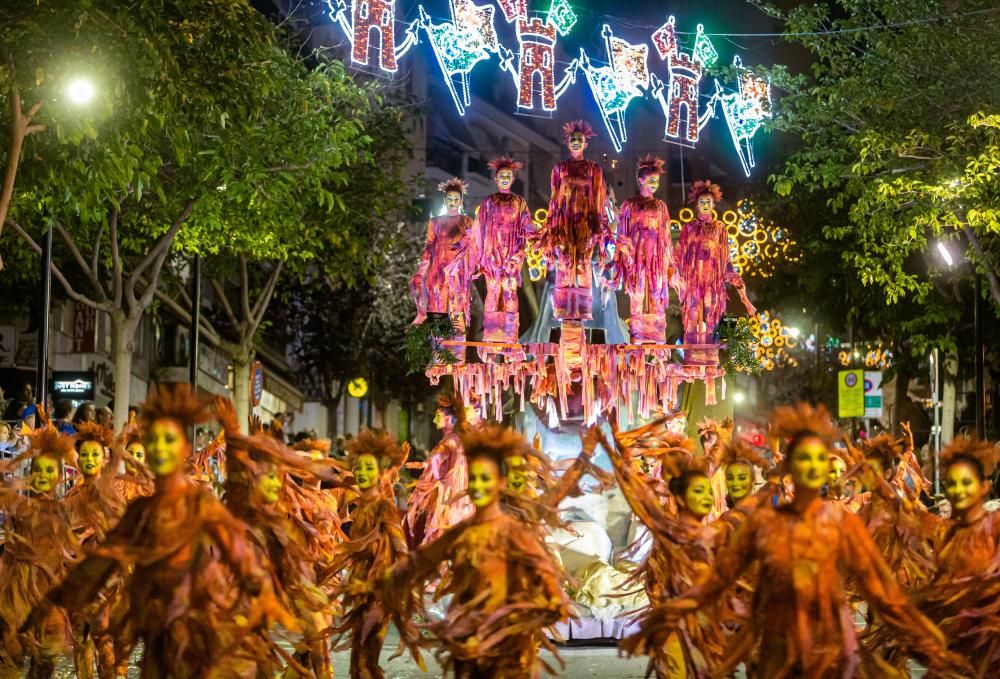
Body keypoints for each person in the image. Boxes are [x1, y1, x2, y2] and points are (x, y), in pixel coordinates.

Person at [624, 403, 971, 678]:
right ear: (789, 464)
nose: (812, 465)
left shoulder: (842, 522)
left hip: (829, 649)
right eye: (803, 458)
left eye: (819, 459)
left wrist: (926, 638)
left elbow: (879, 591)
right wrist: (671, 615)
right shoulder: (767, 523)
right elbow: (721, 579)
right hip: (777, 648)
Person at [46, 384, 282, 677]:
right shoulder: (106, 498)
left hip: (175, 607)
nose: (157, 450)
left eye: (166, 441)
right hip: (122, 596)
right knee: (93, 646)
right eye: (153, 442)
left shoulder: (181, 497)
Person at [386, 425, 572, 678]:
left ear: (500, 483)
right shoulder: (464, 530)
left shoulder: (513, 531)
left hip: (505, 646)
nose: (477, 486)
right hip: (470, 646)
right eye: (473, 479)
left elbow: (548, 586)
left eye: (485, 479)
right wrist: (380, 583)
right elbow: (421, 561)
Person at [0, 425, 79, 678]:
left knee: (45, 664)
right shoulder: (19, 506)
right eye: (38, 470)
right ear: (31, 475)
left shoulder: (67, 510)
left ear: (58, 477)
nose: (43, 476)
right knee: (9, 660)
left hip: (50, 599)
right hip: (16, 596)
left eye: (49, 471)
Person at [607, 155, 677, 344]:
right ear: (641, 179)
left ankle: (657, 338)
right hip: (636, 258)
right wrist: (625, 250)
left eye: (657, 181)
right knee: (637, 295)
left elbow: (666, 236)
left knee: (656, 294)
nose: (654, 184)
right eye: (651, 180)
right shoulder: (630, 205)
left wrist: (670, 263)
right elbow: (622, 232)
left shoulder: (661, 206)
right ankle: (637, 337)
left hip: (656, 259)